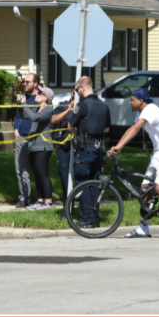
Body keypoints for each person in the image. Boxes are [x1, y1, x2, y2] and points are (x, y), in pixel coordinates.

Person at [108, 89, 159, 239]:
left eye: (132, 99)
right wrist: (119, 144)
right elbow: (131, 128)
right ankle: (144, 227)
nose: (130, 102)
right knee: (145, 189)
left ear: (141, 101)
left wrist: (119, 146)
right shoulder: (142, 112)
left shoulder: (150, 110)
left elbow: (136, 129)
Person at [67, 76, 111, 228]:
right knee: (95, 182)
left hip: (85, 149)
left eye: (78, 90)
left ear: (83, 88)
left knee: (83, 183)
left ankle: (86, 218)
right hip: (99, 149)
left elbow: (70, 126)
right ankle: (95, 216)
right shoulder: (104, 106)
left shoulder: (82, 105)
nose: (78, 93)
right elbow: (106, 129)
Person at [18, 86, 56, 210]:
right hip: (33, 146)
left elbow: (35, 118)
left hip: (43, 146)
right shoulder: (36, 108)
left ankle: (48, 202)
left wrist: (24, 104)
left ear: (46, 97)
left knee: (42, 173)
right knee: (37, 174)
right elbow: (24, 116)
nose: (37, 95)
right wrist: (20, 105)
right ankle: (40, 201)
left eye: (40, 93)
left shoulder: (48, 110)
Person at [14, 73, 39, 208]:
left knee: (38, 169)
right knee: (21, 169)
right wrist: (16, 131)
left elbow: (37, 117)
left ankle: (42, 198)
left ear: (35, 83)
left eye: (27, 82)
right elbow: (18, 115)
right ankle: (24, 198)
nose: (24, 84)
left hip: (36, 138)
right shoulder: (22, 98)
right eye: (24, 82)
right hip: (22, 137)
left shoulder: (41, 98)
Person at [51, 89, 76, 205]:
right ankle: (67, 205)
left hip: (80, 144)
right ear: (72, 92)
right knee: (64, 173)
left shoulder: (85, 105)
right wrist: (68, 111)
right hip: (64, 145)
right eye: (74, 91)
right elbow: (54, 119)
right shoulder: (63, 105)